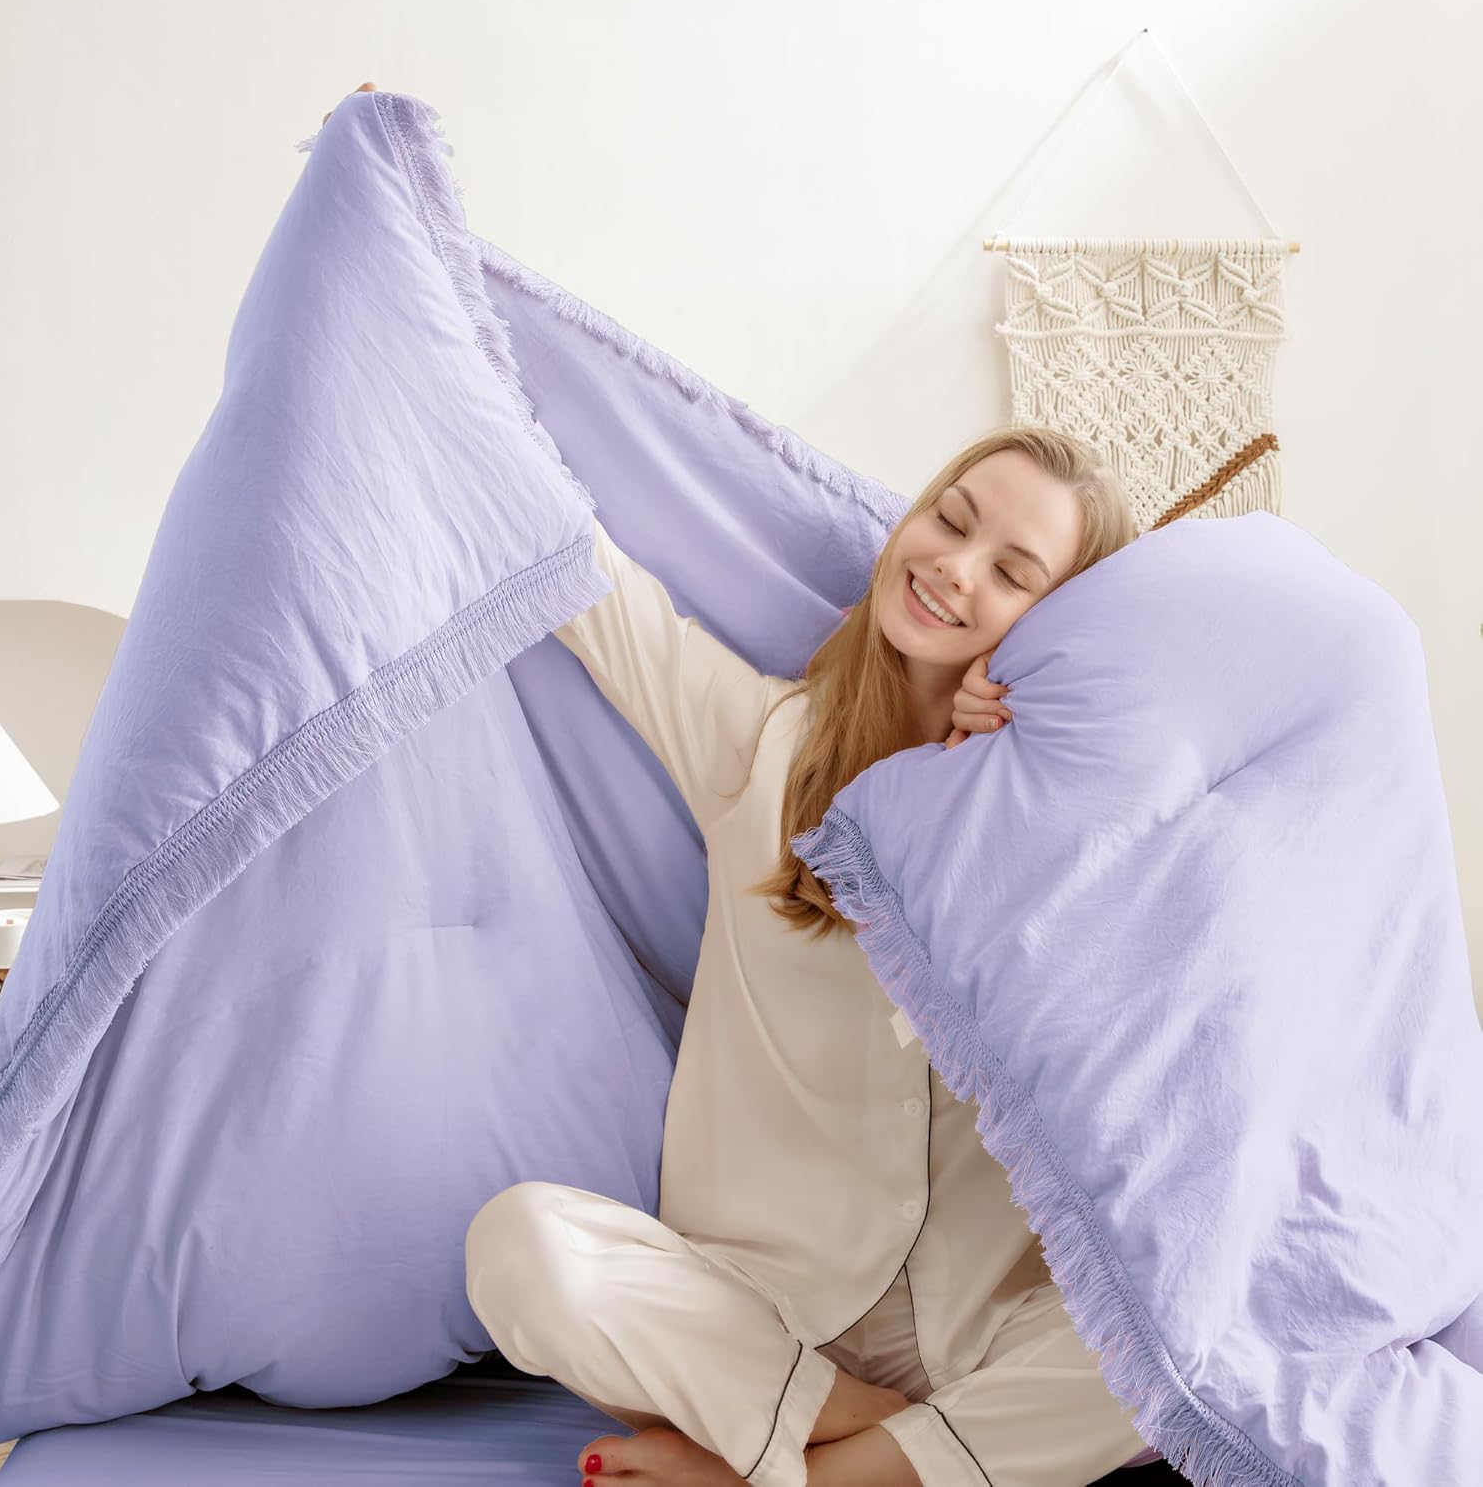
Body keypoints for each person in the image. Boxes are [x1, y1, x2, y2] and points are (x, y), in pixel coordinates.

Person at [462, 421, 1170, 1487]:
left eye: (1012, 574)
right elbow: (583, 576)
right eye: (951, 520)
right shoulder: (757, 744)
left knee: (1181, 1328)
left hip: (979, 1327)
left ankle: (789, 1474)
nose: (955, 567)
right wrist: (428, 374)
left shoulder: (1070, 824)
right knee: (523, 1249)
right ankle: (867, 1435)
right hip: (752, 1314)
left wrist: (999, 781)